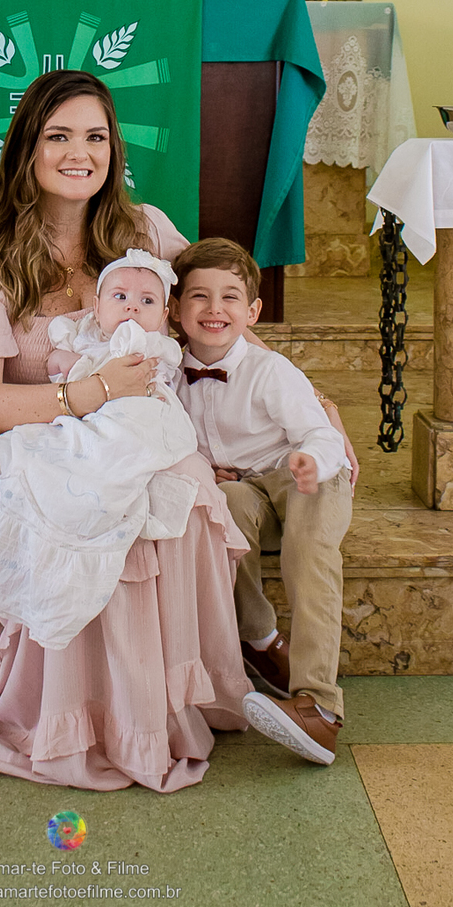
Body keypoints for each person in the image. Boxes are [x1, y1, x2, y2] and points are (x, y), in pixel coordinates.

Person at [0, 70, 252, 793]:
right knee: (81, 503)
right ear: (26, 150)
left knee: (175, 487)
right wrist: (88, 392)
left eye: (95, 136)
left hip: (139, 439)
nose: (80, 152)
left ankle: (154, 703)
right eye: (59, 135)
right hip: (40, 440)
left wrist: (304, 396)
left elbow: (218, 318)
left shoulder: (146, 232)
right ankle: (74, 713)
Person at [174, 237, 354, 767]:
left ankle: (320, 706)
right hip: (245, 488)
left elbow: (319, 436)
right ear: (174, 308)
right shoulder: (165, 375)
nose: (214, 310)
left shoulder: (269, 371)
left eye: (230, 298)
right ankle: (259, 634)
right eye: (199, 296)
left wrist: (310, 463)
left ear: (252, 311)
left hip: (303, 479)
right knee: (219, 506)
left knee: (309, 548)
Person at [0, 249, 198, 650]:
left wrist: (78, 366)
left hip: (136, 417)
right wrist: (73, 364)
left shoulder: (151, 345)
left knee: (105, 457)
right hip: (87, 413)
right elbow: (64, 372)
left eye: (147, 301)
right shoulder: (84, 338)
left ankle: (89, 507)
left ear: (164, 315)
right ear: (95, 308)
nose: (132, 306)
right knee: (48, 448)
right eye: (119, 297)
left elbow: (115, 372)